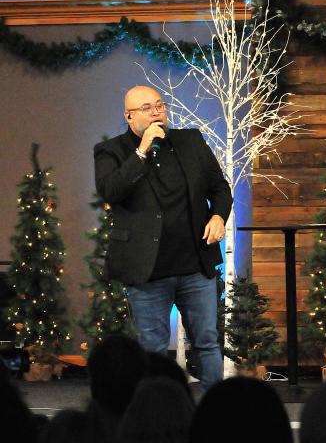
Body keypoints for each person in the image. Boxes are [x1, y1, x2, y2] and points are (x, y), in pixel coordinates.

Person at [94, 85, 232, 392]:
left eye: (159, 105)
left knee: (207, 342)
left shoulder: (190, 141)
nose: (157, 111)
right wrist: (141, 150)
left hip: (195, 264)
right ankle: (158, 416)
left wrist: (218, 216)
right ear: (128, 116)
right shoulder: (110, 151)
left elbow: (220, 188)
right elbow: (110, 191)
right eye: (147, 108)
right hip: (147, 272)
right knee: (152, 348)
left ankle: (215, 413)